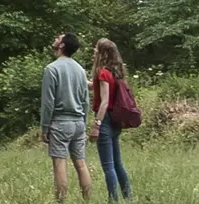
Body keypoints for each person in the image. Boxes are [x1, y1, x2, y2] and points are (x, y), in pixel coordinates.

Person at [41, 31, 93, 203]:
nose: (55, 39)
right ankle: (88, 200)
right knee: (81, 164)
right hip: (79, 122)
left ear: (62, 45)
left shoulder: (52, 69)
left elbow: (48, 102)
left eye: (58, 38)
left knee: (59, 164)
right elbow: (85, 100)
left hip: (60, 123)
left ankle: (61, 201)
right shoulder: (80, 70)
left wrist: (44, 127)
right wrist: (84, 124)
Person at [88, 37, 133, 201]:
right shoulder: (115, 73)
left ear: (102, 53)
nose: (94, 52)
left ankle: (113, 199)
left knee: (108, 166)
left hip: (105, 119)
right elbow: (96, 86)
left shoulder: (103, 73)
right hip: (115, 121)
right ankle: (128, 197)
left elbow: (105, 101)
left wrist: (96, 125)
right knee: (118, 163)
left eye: (96, 49)